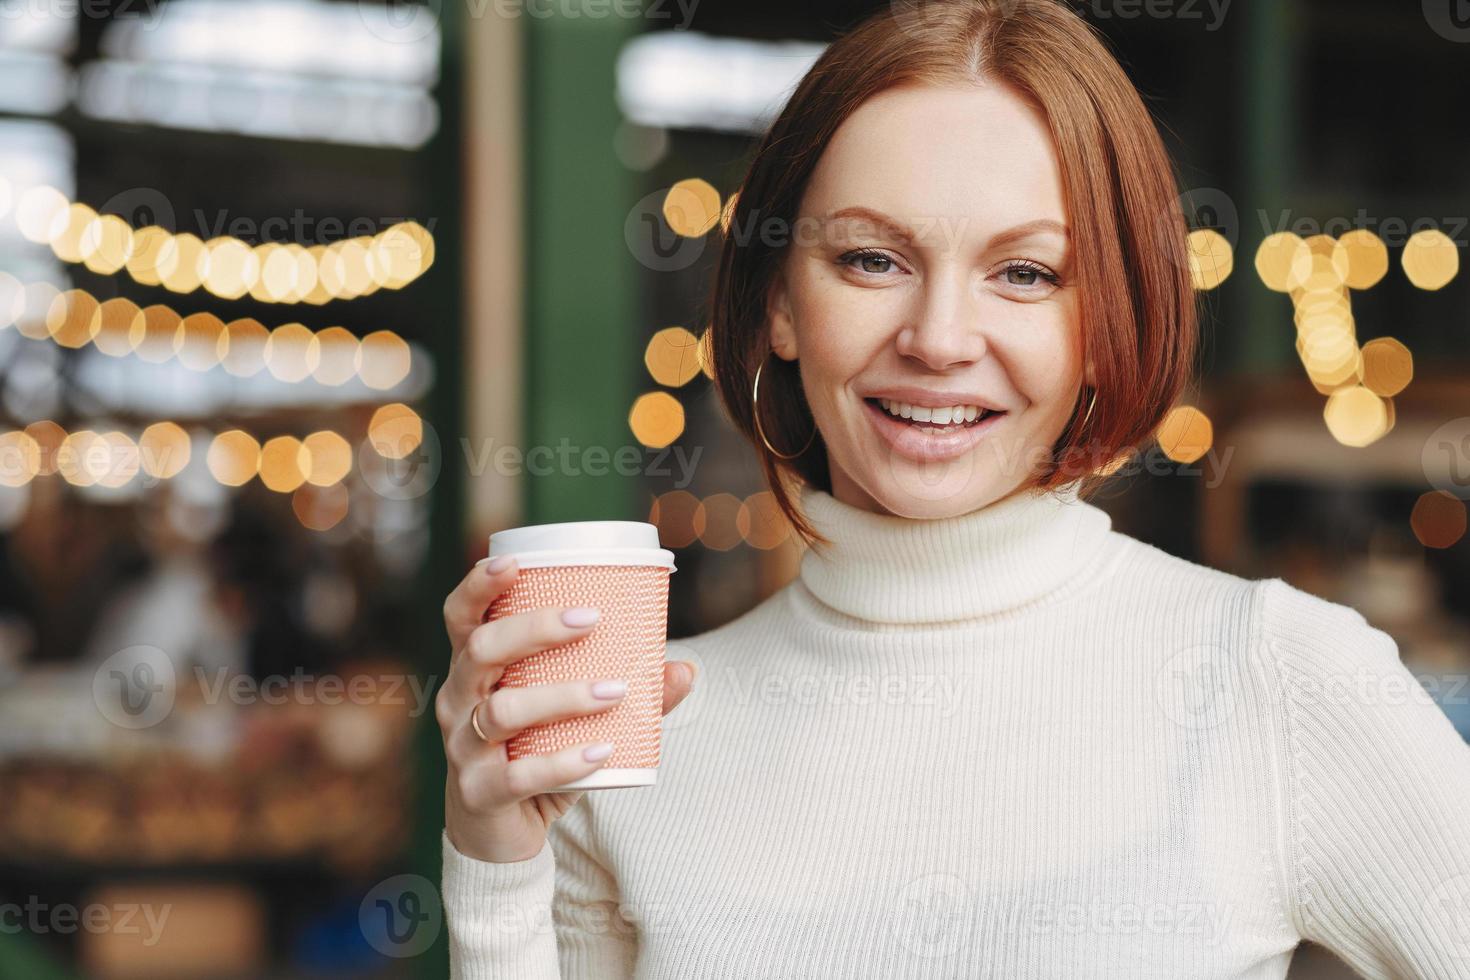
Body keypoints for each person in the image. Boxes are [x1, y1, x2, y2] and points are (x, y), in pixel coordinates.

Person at [435, 2, 1470, 976]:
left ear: (1104, 327)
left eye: (1025, 272)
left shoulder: (1273, 679)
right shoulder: (634, 729)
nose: (937, 339)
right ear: (782, 304)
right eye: (872, 258)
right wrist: (495, 865)